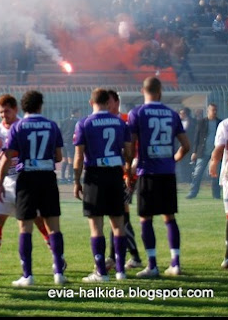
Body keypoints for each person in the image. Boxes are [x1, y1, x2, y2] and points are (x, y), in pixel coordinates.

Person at [0, 94, 60, 276]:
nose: (4, 116)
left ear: (15, 109)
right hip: (6, 181)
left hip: (25, 180)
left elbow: (9, 156)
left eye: (7, 112)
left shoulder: (20, 127)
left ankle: (58, 259)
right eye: (1, 113)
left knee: (39, 221)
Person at [126, 77, 191, 277]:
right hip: (167, 173)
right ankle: (175, 263)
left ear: (143, 90)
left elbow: (131, 145)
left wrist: (129, 169)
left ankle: (152, 265)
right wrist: (172, 160)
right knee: (169, 218)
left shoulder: (136, 113)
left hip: (148, 172)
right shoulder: (172, 114)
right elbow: (186, 146)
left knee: (146, 218)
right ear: (160, 91)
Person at [73, 88, 133, 282]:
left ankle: (101, 272)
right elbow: (130, 150)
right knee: (118, 225)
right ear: (108, 103)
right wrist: (128, 166)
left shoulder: (84, 123)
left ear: (92, 103)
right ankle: (121, 271)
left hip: (95, 176)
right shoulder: (120, 122)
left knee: (96, 226)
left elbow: (78, 156)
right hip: (115, 174)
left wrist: (76, 181)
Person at [105, 89, 143, 271]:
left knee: (120, 215)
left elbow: (138, 144)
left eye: (109, 101)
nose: (105, 105)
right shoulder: (102, 121)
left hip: (127, 174)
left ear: (116, 103)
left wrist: (132, 166)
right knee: (117, 215)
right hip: (112, 174)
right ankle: (117, 257)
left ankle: (130, 257)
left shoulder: (127, 119)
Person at [208, 96, 228, 270]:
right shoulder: (225, 125)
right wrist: (215, 161)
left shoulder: (226, 125)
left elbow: (220, 148)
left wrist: (214, 161)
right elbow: (220, 147)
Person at [187, 104, 222, 199]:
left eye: (215, 110)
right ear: (208, 111)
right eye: (212, 110)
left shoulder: (220, 122)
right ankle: (193, 193)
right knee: (197, 173)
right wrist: (194, 152)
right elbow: (196, 138)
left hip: (216, 153)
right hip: (203, 152)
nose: (214, 112)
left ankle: (216, 194)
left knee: (216, 174)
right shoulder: (202, 122)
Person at [58, 109, 81, 183]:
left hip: (64, 141)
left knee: (65, 160)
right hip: (70, 142)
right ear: (76, 113)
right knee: (71, 160)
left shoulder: (64, 121)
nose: (80, 114)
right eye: (79, 112)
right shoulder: (76, 122)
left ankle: (62, 177)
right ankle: (70, 177)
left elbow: (60, 131)